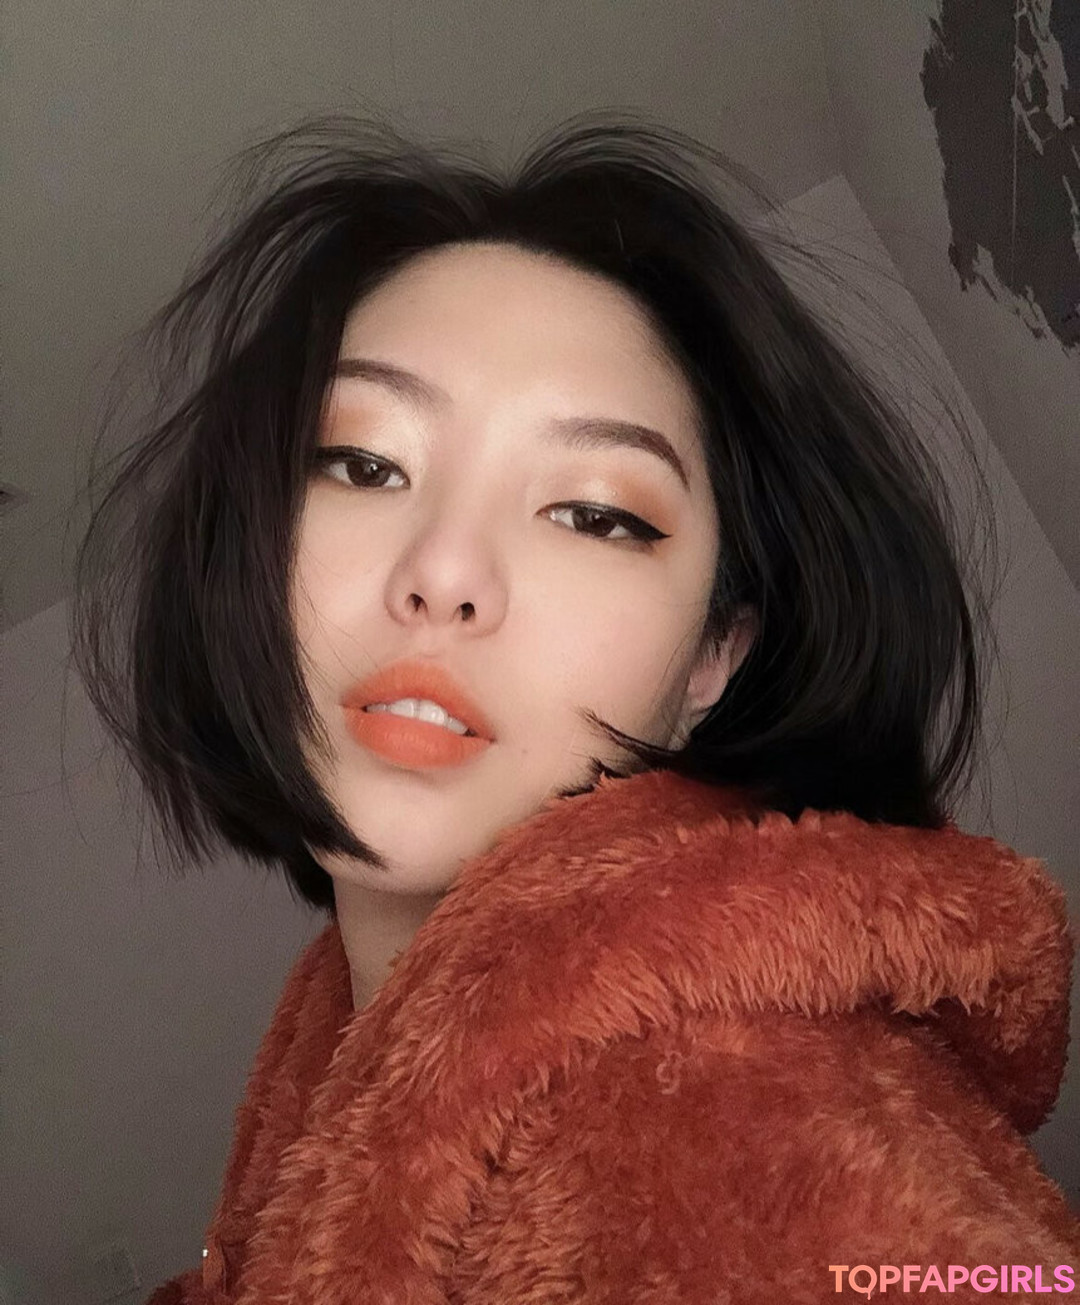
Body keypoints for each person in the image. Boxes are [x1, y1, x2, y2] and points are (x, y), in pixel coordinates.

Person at [72, 117, 1079, 1303]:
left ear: (714, 657)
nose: (445, 572)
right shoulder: (352, 1041)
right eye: (363, 461)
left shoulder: (751, 1124)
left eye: (595, 514)